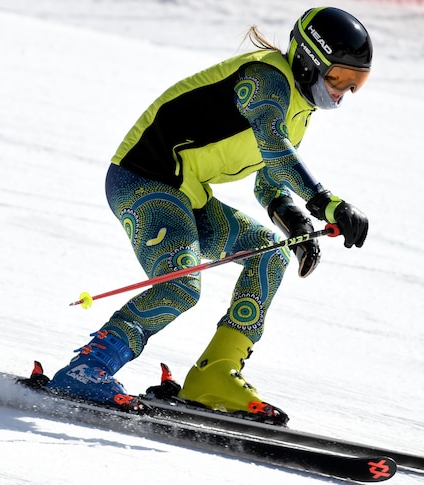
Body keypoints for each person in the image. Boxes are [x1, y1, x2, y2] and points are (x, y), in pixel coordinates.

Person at [46, 6, 372, 424]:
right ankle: (88, 369)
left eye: (355, 84)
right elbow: (275, 149)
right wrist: (327, 203)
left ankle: (214, 375)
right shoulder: (266, 80)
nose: (343, 92)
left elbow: (269, 176)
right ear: (309, 61)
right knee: (181, 284)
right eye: (338, 78)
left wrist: (295, 225)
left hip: (188, 193)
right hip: (144, 180)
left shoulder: (297, 110)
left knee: (271, 252)